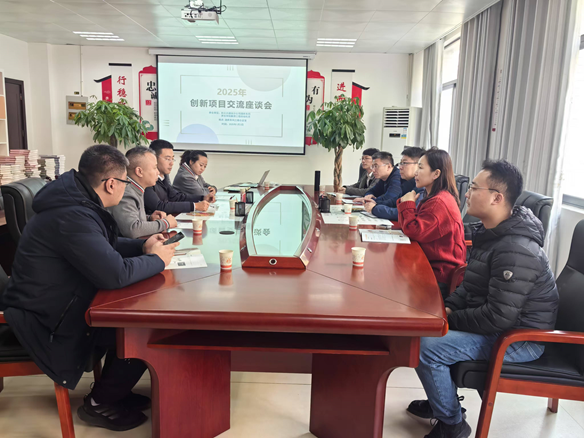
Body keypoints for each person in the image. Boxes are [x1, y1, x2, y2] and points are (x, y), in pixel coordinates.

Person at [0, 145, 179, 431]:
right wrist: (158, 260)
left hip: (60, 301)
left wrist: (142, 246)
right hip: (46, 319)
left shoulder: (77, 203)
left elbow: (102, 245)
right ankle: (100, 403)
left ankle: (114, 392)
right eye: (125, 182)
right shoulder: (71, 216)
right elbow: (115, 275)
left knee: (139, 319)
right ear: (111, 184)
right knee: (142, 328)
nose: (126, 188)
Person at [406, 160, 559, 438]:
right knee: (427, 329)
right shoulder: (492, 232)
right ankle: (442, 401)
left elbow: (498, 317)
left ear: (496, 198)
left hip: (520, 339)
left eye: (474, 188)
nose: (466, 193)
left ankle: (452, 424)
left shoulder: (515, 248)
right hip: (503, 326)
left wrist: (449, 321)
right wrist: (448, 307)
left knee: (426, 347)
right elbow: (470, 284)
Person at [396, 148, 466, 300]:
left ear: (436, 174)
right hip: (427, 262)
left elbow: (413, 231)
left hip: (440, 274)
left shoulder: (439, 201)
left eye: (421, 168)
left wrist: (407, 204)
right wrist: (405, 204)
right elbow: (408, 228)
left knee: (393, 283)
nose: (416, 172)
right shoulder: (433, 196)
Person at [108, 146, 178, 239]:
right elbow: (132, 229)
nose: (158, 172)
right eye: (155, 168)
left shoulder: (135, 188)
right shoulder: (126, 192)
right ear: (139, 171)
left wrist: (149, 218)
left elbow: (129, 218)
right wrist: (166, 223)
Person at [144, 139, 213, 216]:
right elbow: (159, 206)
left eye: (172, 159)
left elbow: (176, 197)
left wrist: (202, 198)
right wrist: (194, 206)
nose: (171, 163)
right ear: (154, 158)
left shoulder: (164, 176)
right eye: (167, 159)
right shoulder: (147, 179)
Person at [369, 147, 426, 221]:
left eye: (404, 163)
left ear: (419, 165)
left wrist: (375, 209)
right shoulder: (407, 183)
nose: (400, 167)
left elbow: (402, 213)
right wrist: (374, 202)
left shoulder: (423, 188)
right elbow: (394, 201)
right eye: (400, 163)